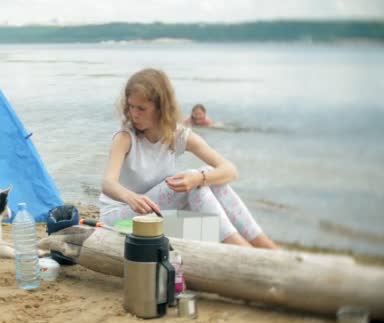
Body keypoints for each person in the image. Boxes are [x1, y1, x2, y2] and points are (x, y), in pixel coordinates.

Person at [98, 68, 277, 249]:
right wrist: (130, 197)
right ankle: (244, 251)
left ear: (161, 108)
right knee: (191, 181)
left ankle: (266, 248)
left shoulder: (179, 135)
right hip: (118, 221)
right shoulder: (125, 138)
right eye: (131, 106)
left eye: (142, 108)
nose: (134, 114)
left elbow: (230, 170)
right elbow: (108, 183)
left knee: (203, 178)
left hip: (156, 219)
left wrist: (200, 178)